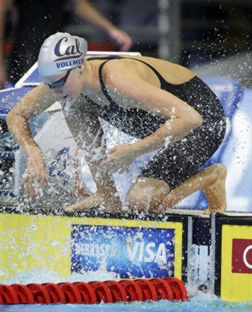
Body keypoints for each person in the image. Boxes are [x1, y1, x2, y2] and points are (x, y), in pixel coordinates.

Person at [6, 32, 227, 215]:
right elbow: (16, 115)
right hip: (165, 125)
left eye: (59, 82)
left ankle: (211, 177)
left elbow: (191, 118)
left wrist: (134, 151)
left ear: (80, 67)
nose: (54, 90)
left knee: (141, 203)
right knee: (73, 105)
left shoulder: (117, 81)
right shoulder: (61, 82)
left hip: (202, 123)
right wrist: (33, 151)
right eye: (48, 84)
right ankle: (106, 194)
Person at [0, 0, 132, 87]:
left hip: (57, 53)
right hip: (26, 53)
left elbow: (79, 5)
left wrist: (111, 30)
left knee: (59, 105)